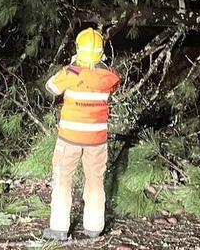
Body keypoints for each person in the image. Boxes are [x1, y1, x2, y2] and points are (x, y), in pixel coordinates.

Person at [42, 27, 121, 241]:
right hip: (97, 140)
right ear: (101, 51)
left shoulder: (70, 73)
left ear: (78, 49)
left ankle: (59, 227)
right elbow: (112, 80)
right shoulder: (109, 76)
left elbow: (50, 87)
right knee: (95, 179)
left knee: (62, 177)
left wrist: (75, 64)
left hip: (70, 138)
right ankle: (94, 226)